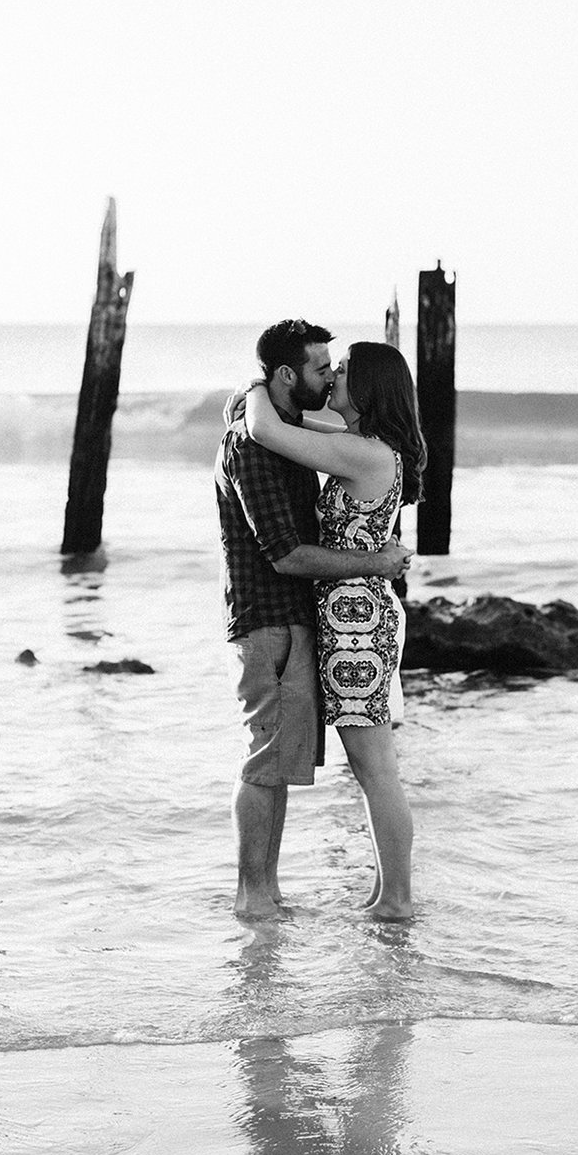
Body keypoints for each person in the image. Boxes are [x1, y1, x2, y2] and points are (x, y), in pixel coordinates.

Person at [212, 319, 410, 920]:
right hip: (299, 622)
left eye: (341, 370)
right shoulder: (290, 438)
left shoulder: (343, 446)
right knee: (285, 761)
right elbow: (284, 548)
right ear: (288, 375)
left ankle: (390, 899)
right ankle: (264, 896)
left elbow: (270, 422)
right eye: (325, 368)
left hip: (348, 626)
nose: (331, 378)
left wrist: (255, 397)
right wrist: (253, 395)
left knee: (369, 767)